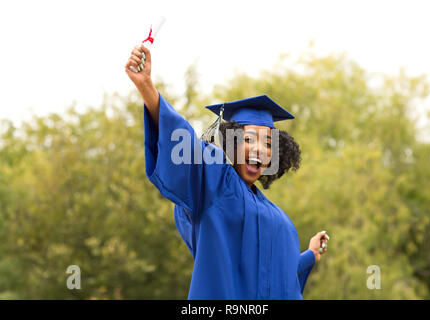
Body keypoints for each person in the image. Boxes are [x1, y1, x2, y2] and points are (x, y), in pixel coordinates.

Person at [125, 44, 329, 299]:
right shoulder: (215, 180)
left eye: (268, 143)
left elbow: (279, 280)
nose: (260, 149)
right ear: (231, 143)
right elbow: (186, 146)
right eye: (249, 139)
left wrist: (310, 255)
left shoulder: (281, 222)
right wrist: (146, 87)